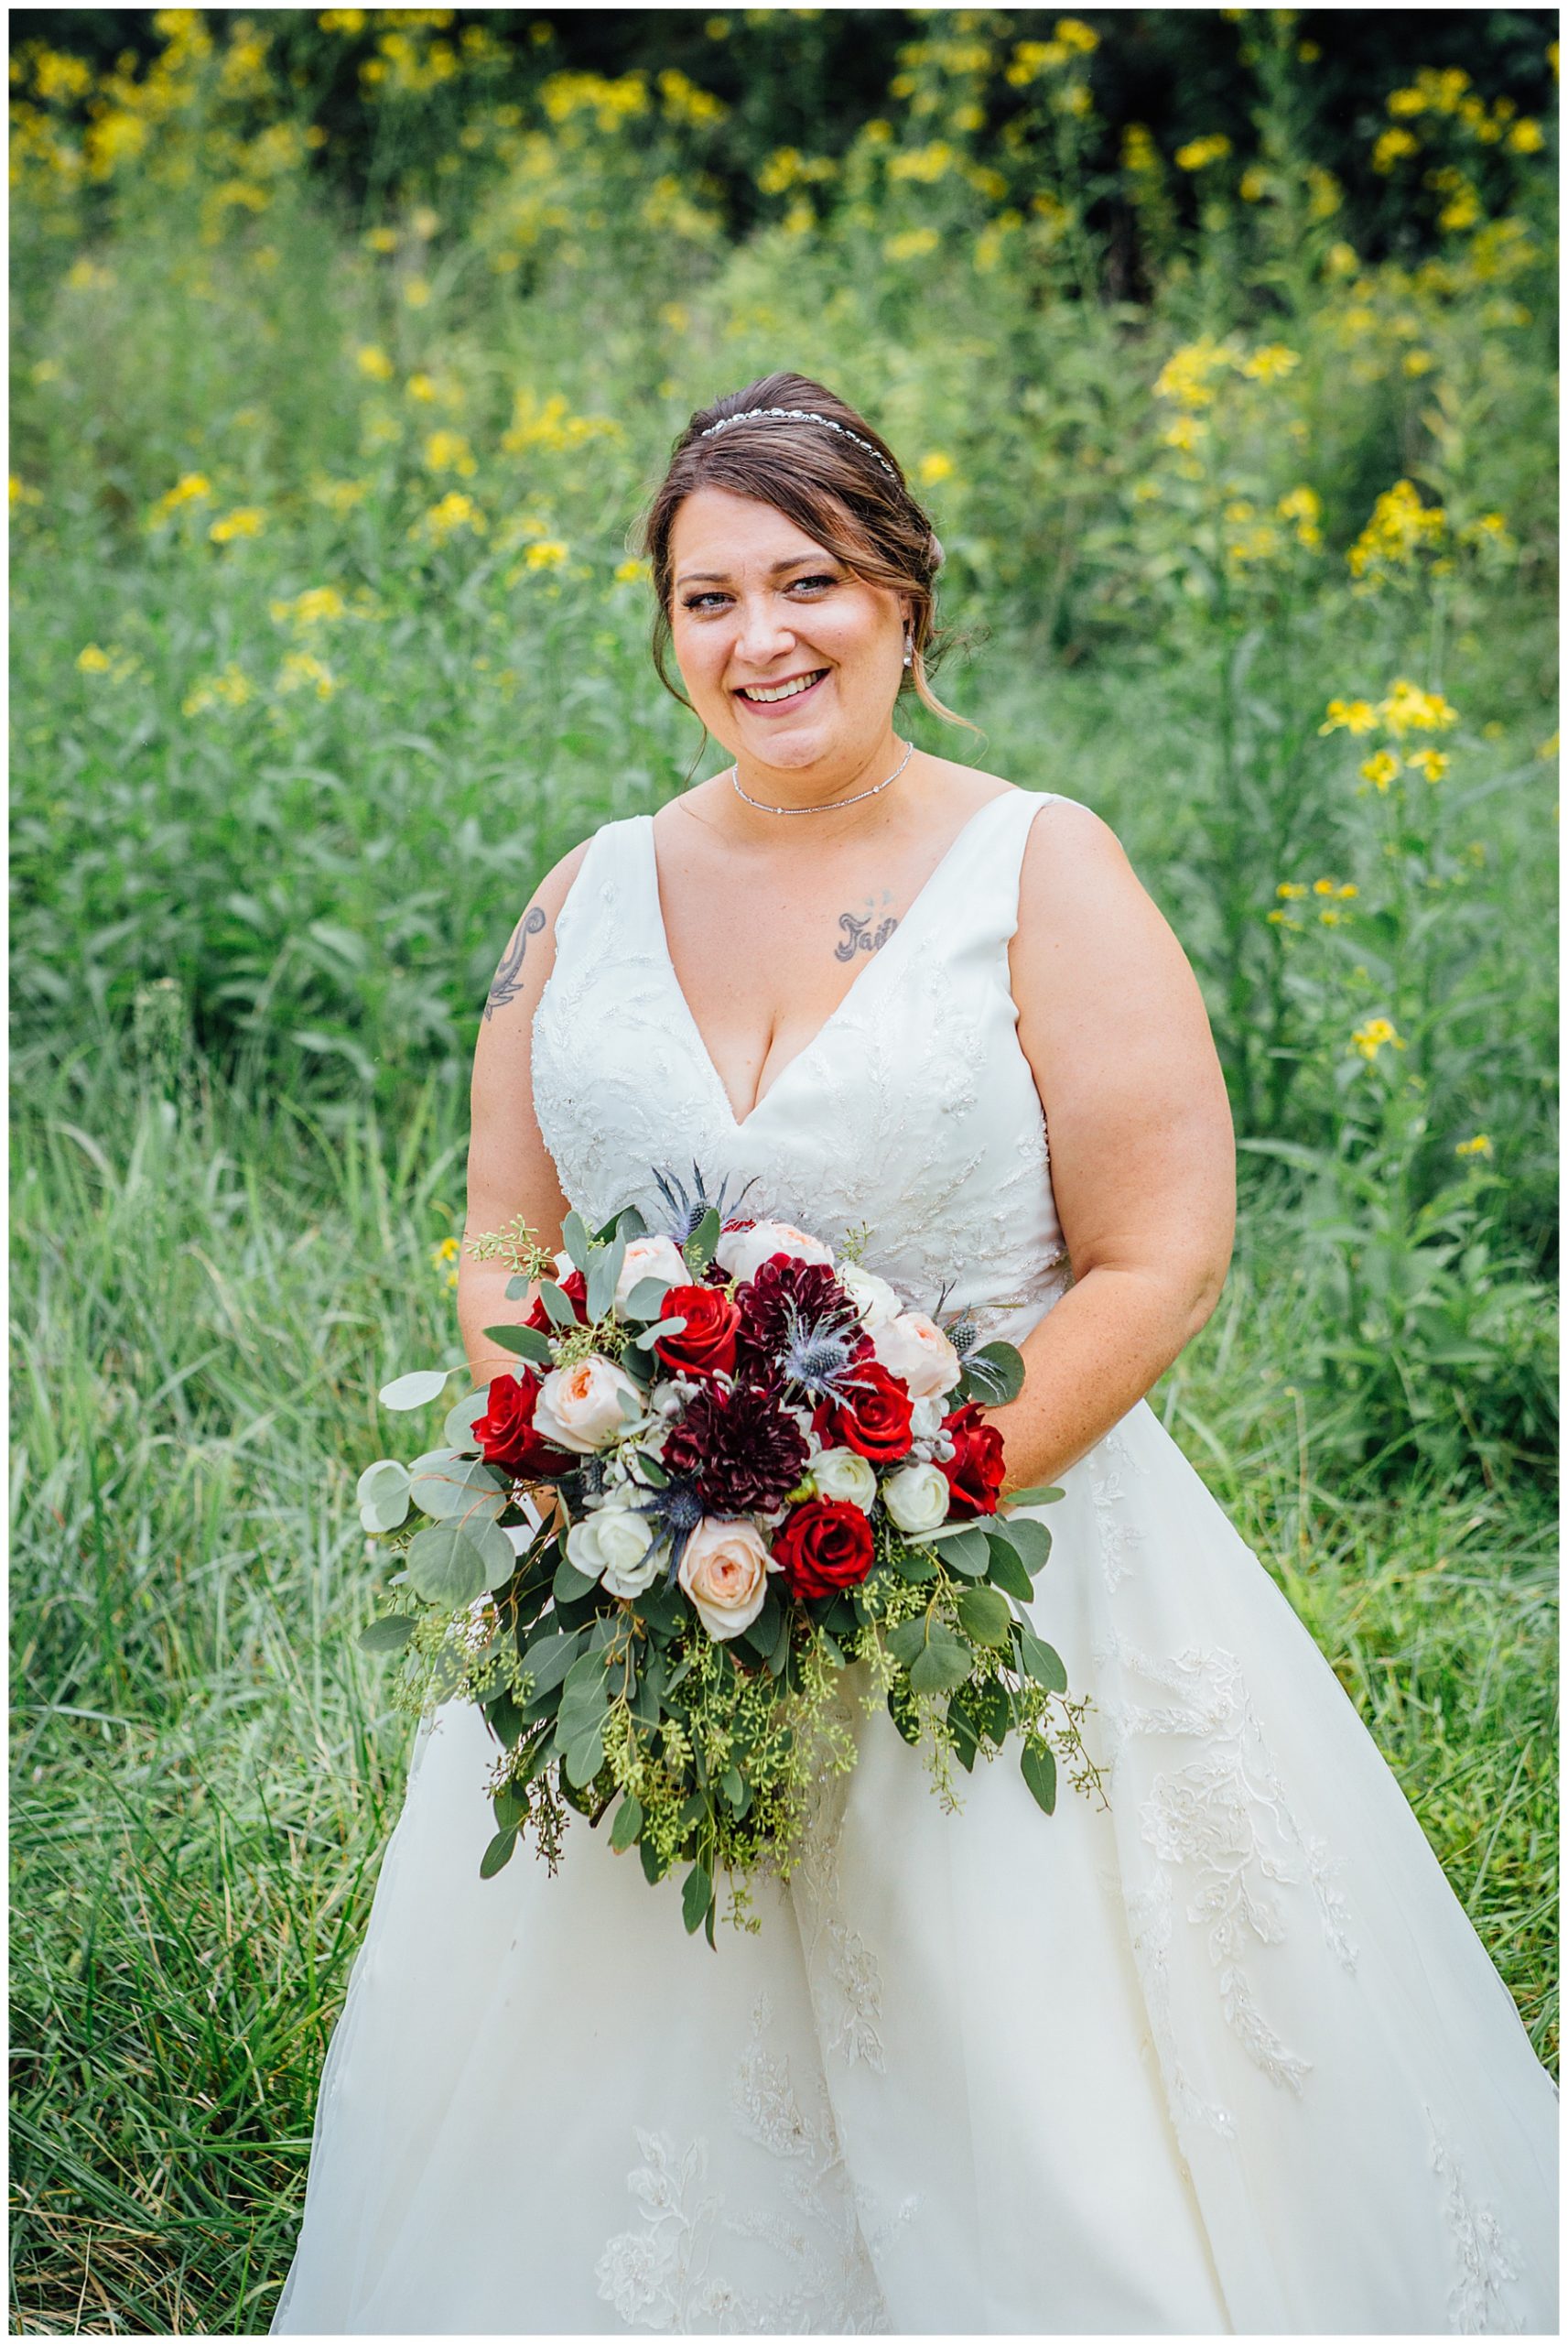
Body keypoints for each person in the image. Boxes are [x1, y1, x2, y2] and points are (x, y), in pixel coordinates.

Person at [272, 371, 1557, 2336]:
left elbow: (1157, 1253)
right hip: (640, 1590)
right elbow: (506, 1229)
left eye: (807, 580)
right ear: (662, 625)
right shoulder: (579, 895)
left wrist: (903, 1490)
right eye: (705, 597)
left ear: (903, 595)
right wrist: (571, 1437)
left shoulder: (1041, 871)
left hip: (990, 1572)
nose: (758, 637)